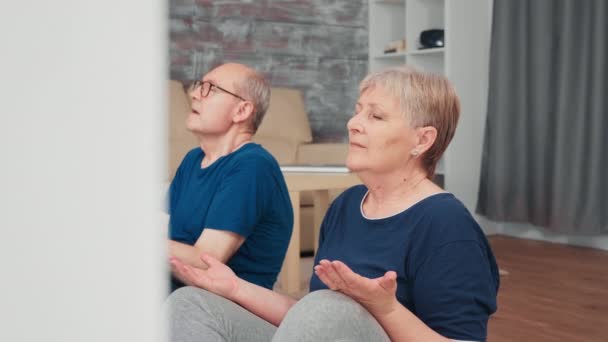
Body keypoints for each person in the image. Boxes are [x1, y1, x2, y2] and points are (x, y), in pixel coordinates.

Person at [166, 66, 499, 342]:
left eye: (376, 116)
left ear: (422, 140)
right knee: (193, 302)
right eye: (358, 112)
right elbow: (308, 321)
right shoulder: (347, 206)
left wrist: (385, 308)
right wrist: (234, 287)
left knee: (328, 308)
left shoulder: (446, 224)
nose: (353, 124)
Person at [167, 62, 293, 292]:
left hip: (220, 308)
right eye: (198, 86)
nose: (194, 94)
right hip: (175, 290)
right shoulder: (192, 160)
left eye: (210, 89)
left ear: (242, 111)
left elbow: (205, 264)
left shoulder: (252, 166)